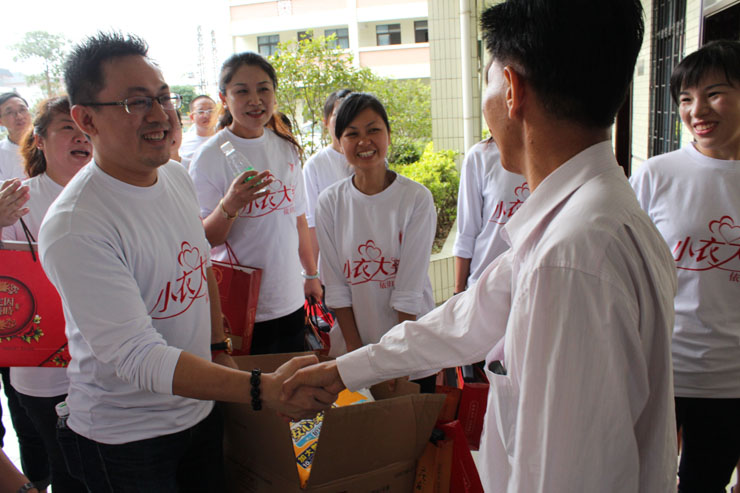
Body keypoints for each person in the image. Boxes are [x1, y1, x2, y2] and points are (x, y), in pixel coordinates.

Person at [283, 1, 679, 491]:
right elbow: (466, 319)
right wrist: (344, 370)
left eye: (486, 79)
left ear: (511, 90)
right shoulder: (587, 219)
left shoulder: (572, 257)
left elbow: (568, 474)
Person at [37, 32, 332, 492]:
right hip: (126, 440)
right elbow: (138, 356)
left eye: (162, 97)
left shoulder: (173, 176)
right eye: (136, 102)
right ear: (86, 119)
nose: (160, 115)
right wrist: (262, 388)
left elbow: (200, 266)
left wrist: (217, 346)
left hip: (199, 411)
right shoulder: (76, 226)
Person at [629, 40, 740, 493]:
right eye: (686, 99)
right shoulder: (656, 175)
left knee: (704, 484)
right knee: (640, 480)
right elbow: (625, 266)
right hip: (660, 365)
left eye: (714, 94)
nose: (698, 111)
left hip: (731, 381)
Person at [189, 52, 322, 355]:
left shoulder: (286, 148)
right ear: (224, 98)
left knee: (292, 378)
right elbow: (205, 238)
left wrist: (311, 275)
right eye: (242, 91)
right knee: (251, 383)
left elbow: (298, 219)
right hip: (241, 304)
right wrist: (231, 204)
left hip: (290, 298)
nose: (255, 100)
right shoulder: (209, 157)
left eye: (263, 89)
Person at [315, 92, 437, 390]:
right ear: (339, 142)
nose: (364, 141)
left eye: (373, 130)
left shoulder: (415, 199)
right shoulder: (330, 202)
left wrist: (397, 361)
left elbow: (409, 290)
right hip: (353, 351)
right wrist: (358, 358)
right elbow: (336, 288)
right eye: (352, 134)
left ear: (388, 135)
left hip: (411, 351)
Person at [1, 97, 90, 492]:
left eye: (86, 128)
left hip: (109, 360)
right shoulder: (16, 200)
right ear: (39, 140)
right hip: (44, 370)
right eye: (67, 128)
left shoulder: (113, 190)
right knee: (68, 469)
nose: (81, 137)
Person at [453, 138, 527, 293]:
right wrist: (458, 292)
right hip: (485, 285)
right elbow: (466, 233)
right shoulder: (480, 155)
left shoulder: (552, 154)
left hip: (531, 282)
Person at [303, 89, 353, 262]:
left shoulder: (372, 161)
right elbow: (311, 223)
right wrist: (312, 271)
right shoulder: (314, 166)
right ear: (325, 122)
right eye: (338, 115)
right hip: (332, 261)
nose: (345, 121)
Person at [0, 93, 32, 181]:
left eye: (22, 110)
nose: (19, 116)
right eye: (10, 112)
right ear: (0, 121)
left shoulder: (46, 144)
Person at [179, 95, 216, 163]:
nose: (206, 115)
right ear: (192, 117)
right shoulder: (183, 143)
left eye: (210, 111)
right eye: (200, 112)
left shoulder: (225, 138)